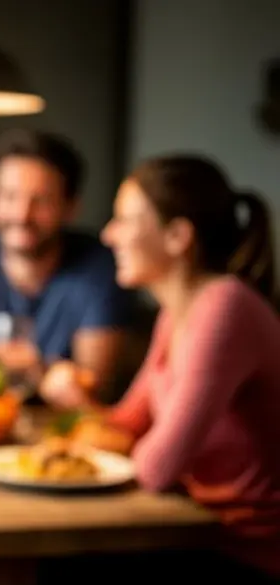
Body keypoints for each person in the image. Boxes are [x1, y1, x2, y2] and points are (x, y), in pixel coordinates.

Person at [73, 155, 280, 581]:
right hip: (197, 531)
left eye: (124, 220)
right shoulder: (176, 312)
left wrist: (119, 439)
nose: (109, 235)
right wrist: (80, 400)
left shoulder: (225, 308)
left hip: (250, 553)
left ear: (177, 236)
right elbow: (129, 422)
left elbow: (157, 466)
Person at [0, 129, 130, 407]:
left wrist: (38, 369)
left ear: (70, 207)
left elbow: (93, 387)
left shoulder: (98, 269)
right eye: (8, 196)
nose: (21, 215)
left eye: (40, 201)